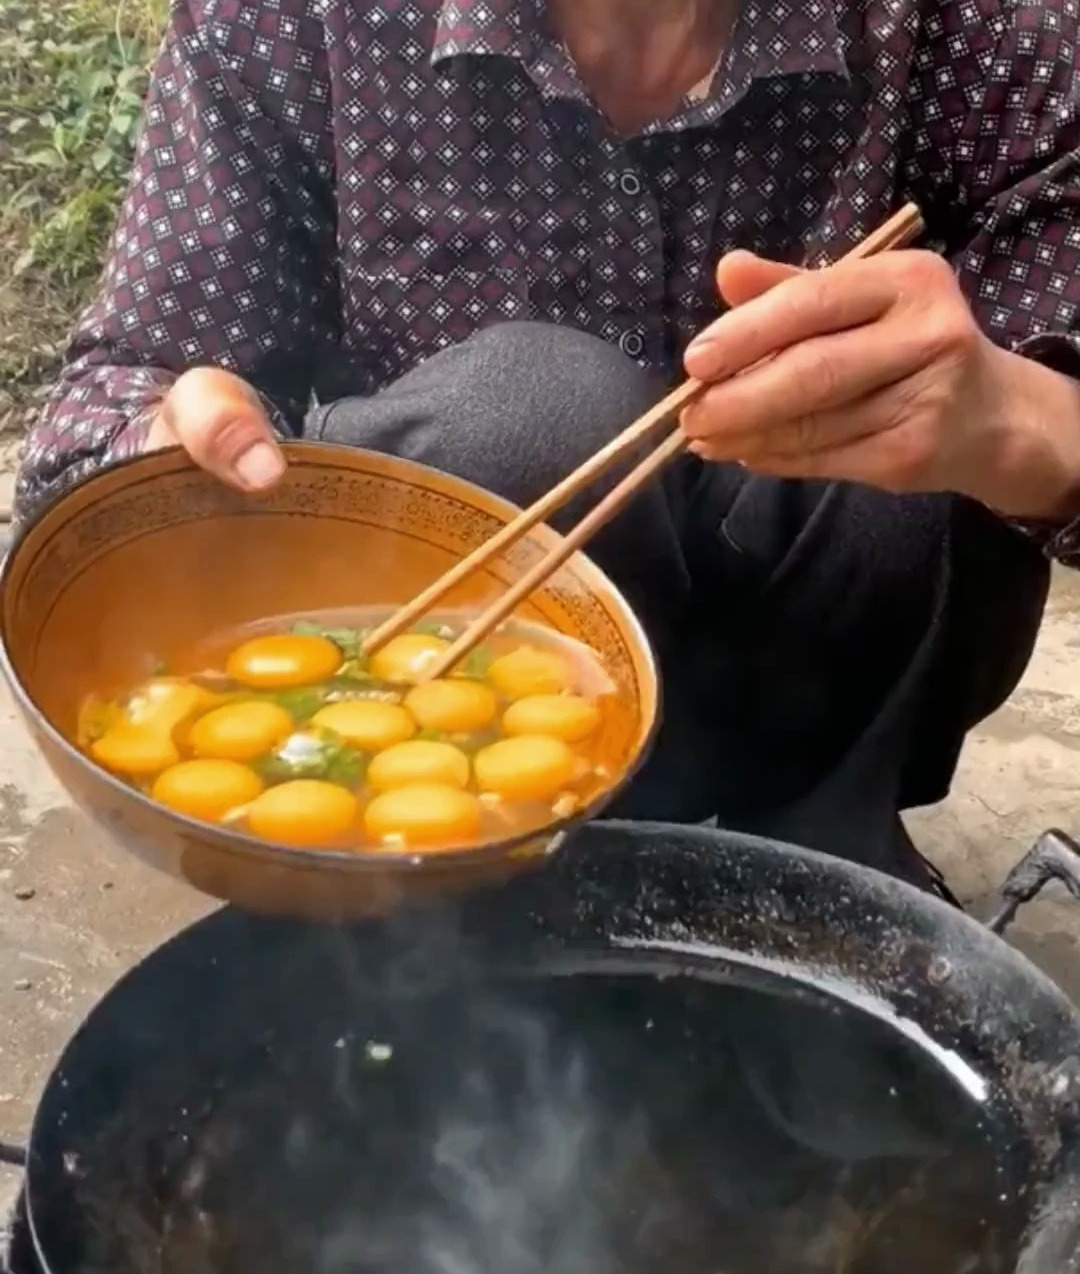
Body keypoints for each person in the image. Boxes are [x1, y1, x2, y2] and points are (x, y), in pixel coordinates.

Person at [16, 0, 1080, 890]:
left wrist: (1026, 423)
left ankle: (816, 848)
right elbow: (103, 410)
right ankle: (469, 890)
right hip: (443, 724)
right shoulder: (295, 19)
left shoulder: (972, 19)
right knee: (533, 417)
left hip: (839, 660)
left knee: (909, 419)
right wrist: (166, 454)